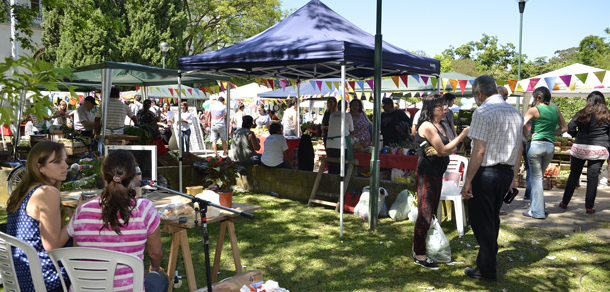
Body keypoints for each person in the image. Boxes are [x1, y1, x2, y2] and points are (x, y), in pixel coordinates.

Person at [66, 150, 169, 292]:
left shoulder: (81, 211)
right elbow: (155, 253)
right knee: (159, 278)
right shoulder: (145, 209)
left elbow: (78, 252)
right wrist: (154, 268)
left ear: (103, 176)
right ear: (134, 178)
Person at [460, 75, 523, 282]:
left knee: (481, 220)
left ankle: (486, 268)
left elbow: (479, 151)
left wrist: (468, 180)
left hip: (486, 173)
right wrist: (513, 176)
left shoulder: (482, 111)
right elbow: (519, 148)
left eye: (474, 95)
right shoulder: (515, 112)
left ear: (479, 93)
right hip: (505, 172)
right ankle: (488, 258)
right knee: (491, 218)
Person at [6, 141, 73, 292]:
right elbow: (53, 246)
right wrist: (77, 216)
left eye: (65, 161)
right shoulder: (47, 192)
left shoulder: (23, 190)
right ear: (40, 167)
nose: (66, 166)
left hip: (22, 277)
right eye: (57, 162)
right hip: (44, 280)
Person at [413, 94, 470, 270]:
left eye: (445, 105)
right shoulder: (428, 126)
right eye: (441, 106)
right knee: (425, 213)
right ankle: (420, 255)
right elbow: (446, 148)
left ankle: (422, 247)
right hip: (427, 175)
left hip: (437, 173)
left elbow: (448, 149)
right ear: (432, 109)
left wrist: (441, 151)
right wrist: (462, 135)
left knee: (431, 213)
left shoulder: (442, 124)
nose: (446, 108)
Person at [560, 91, 610, 214]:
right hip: (599, 149)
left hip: (580, 148)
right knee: (592, 178)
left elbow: (570, 127)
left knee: (573, 176)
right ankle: (589, 207)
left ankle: (564, 203)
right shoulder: (607, 115)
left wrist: (577, 135)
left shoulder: (581, 113)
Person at [523, 87, 567, 219]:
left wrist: (528, 136)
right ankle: (535, 209)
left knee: (537, 179)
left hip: (536, 146)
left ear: (537, 97)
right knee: (539, 178)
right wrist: (551, 134)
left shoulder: (534, 110)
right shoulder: (555, 109)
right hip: (549, 147)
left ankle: (538, 212)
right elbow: (565, 128)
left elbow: (522, 124)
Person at [326, 101, 354, 175]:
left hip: (329, 144)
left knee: (332, 166)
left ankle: (331, 183)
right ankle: (341, 184)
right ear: (346, 107)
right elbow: (351, 130)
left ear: (337, 106)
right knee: (341, 167)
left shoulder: (332, 115)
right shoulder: (348, 115)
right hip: (340, 144)